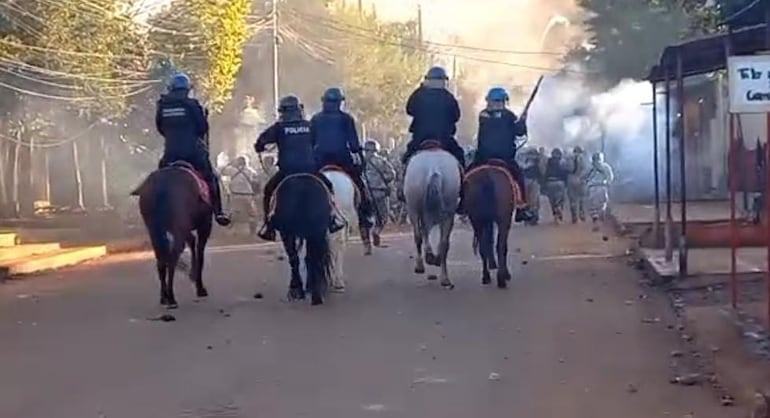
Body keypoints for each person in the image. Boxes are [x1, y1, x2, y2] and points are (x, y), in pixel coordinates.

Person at [254, 95, 345, 241]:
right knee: (328, 186)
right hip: (310, 170)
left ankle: (268, 226)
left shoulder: (279, 128)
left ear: (282, 112)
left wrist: (261, 147)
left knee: (268, 191)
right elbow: (317, 142)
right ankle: (333, 218)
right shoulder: (309, 126)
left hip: (287, 172)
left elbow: (260, 143)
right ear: (299, 110)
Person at [155, 72, 230, 226]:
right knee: (211, 178)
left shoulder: (163, 105)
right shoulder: (192, 105)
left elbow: (160, 128)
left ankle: (157, 212)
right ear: (187, 89)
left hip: (171, 154)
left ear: (171, 88)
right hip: (193, 154)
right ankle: (218, 212)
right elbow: (202, 128)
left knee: (158, 179)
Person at [462, 87, 534, 222]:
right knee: (519, 177)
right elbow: (519, 133)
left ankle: (462, 204)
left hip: (483, 157)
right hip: (505, 158)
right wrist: (523, 121)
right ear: (504, 101)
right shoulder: (509, 115)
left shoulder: (483, 114)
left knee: (467, 175)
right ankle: (522, 207)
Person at [310, 87, 373, 228]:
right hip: (342, 159)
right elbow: (354, 144)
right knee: (359, 183)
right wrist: (359, 155)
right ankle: (365, 215)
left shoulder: (315, 119)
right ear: (340, 103)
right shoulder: (346, 119)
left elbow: (311, 142)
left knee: (306, 182)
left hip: (320, 160)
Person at [401, 66, 465, 169]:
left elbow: (409, 110)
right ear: (444, 81)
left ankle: (403, 179)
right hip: (444, 139)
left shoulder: (419, 94)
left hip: (420, 138)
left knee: (406, 159)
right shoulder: (449, 97)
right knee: (460, 157)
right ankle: (463, 180)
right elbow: (456, 117)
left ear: (428, 80)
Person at [362, 139, 396, 246]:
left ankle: (366, 241)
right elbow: (392, 174)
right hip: (380, 193)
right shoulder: (382, 161)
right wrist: (384, 180)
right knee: (383, 217)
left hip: (365, 194)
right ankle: (376, 231)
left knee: (365, 218)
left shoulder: (360, 162)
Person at [220, 155, 259, 235]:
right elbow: (256, 179)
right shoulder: (250, 171)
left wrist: (230, 163)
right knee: (252, 214)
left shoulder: (232, 170)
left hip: (236, 195)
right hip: (248, 195)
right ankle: (253, 232)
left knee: (233, 213)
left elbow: (222, 171)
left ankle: (228, 230)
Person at [584, 152, 615, 231]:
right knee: (603, 204)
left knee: (592, 206)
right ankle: (602, 218)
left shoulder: (590, 167)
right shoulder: (606, 166)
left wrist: (586, 183)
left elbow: (584, 176)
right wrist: (608, 184)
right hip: (602, 187)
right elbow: (610, 177)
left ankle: (596, 221)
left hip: (592, 188)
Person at [544, 148, 569, 224]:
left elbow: (545, 173)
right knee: (560, 199)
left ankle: (555, 217)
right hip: (560, 182)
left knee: (552, 201)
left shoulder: (548, 162)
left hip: (550, 182)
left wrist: (544, 185)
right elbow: (565, 173)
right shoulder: (562, 162)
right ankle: (559, 210)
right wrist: (566, 184)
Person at [520, 147, 544, 225]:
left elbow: (541, 172)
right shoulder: (527, 162)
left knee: (533, 200)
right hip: (529, 181)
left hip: (532, 181)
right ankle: (530, 217)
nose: (532, 156)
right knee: (530, 200)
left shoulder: (536, 162)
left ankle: (532, 217)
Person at [567, 145, 588, 223]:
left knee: (573, 200)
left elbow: (565, 168)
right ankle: (582, 215)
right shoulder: (583, 158)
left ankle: (574, 217)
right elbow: (586, 169)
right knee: (582, 198)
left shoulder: (569, 158)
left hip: (571, 179)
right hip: (581, 179)